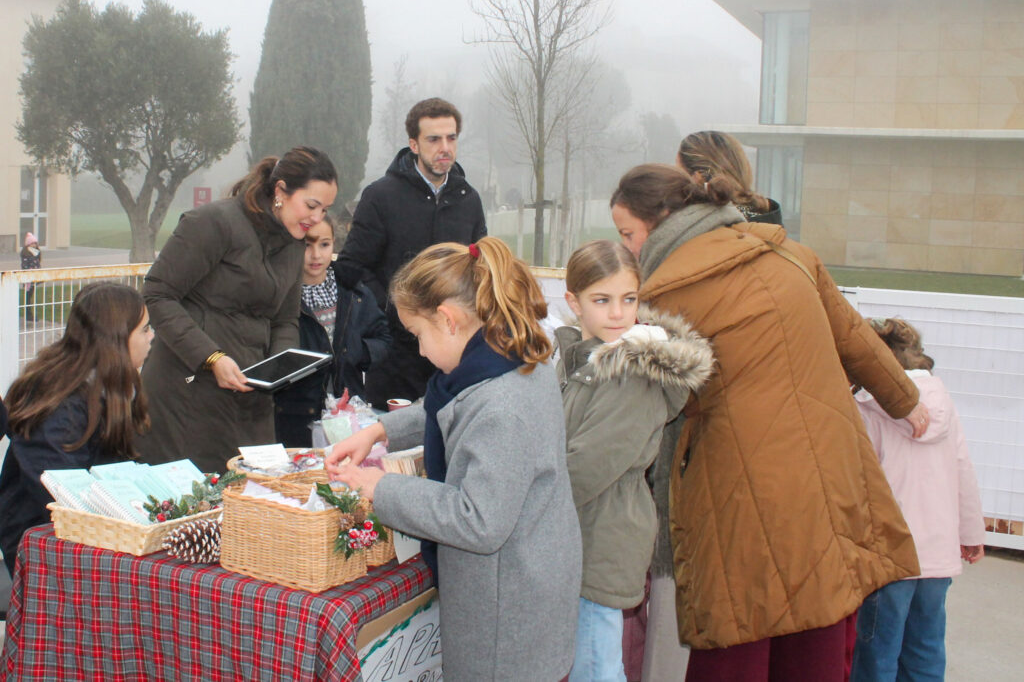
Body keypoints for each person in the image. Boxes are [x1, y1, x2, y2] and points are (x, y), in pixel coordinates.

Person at [609, 163, 929, 681]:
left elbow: (653, 408)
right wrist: (907, 401)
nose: (628, 249)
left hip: (736, 490)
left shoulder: (663, 296)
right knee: (819, 619)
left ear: (663, 220)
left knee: (742, 625)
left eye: (628, 234)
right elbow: (856, 339)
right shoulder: (791, 254)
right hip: (831, 474)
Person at [326, 237, 581, 680]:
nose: (421, 351)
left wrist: (380, 487)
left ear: (448, 320)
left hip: (507, 613)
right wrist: (381, 429)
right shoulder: (506, 357)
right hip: (525, 582)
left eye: (418, 335)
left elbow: (477, 521)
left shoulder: (502, 406)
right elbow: (450, 404)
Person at [556, 240, 713, 682]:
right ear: (574, 302)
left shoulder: (631, 373)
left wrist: (525, 507)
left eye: (629, 299)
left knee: (596, 663)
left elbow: (588, 464)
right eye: (602, 300)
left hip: (604, 535)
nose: (618, 314)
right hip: (582, 530)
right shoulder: (581, 359)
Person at [137, 146, 337, 473]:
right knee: (192, 508)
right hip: (185, 394)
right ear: (280, 191)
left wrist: (278, 368)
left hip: (251, 399)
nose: (317, 219)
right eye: (311, 205)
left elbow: (285, 319)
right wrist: (211, 358)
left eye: (325, 209)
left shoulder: (293, 245)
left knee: (250, 501)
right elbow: (158, 293)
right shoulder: (212, 222)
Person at [850, 318, 985, 682]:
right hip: (937, 557)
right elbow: (962, 469)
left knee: (876, 653)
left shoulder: (865, 407)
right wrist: (971, 533)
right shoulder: (944, 401)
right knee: (925, 649)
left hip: (888, 556)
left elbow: (858, 482)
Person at [339, 97, 487, 410]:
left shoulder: (469, 199)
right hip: (397, 359)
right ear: (414, 144)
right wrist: (400, 311)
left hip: (456, 359)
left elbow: (480, 268)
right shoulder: (380, 197)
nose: (444, 147)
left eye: (451, 138)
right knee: (395, 452)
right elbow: (352, 268)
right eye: (434, 139)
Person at [0, 283, 153, 576]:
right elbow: (61, 495)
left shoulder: (110, 386)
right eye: (145, 329)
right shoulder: (60, 405)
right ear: (117, 338)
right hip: (42, 546)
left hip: (89, 533)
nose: (152, 336)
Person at [273, 214, 391, 447]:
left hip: (347, 412)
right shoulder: (280, 294)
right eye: (307, 245)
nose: (316, 255)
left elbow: (383, 337)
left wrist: (358, 352)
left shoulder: (353, 290)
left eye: (324, 244)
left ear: (334, 244)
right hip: (295, 415)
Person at [676, 130, 782, 224]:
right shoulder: (769, 223)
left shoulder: (699, 236)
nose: (673, 183)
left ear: (698, 178)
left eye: (678, 173)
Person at [20, 232, 41, 322]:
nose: (34, 245)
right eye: (32, 243)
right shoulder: (26, 253)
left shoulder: (36, 252)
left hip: (34, 278)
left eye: (35, 243)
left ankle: (30, 314)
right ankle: (29, 314)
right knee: (28, 297)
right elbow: (25, 266)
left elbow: (38, 263)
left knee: (30, 296)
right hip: (28, 279)